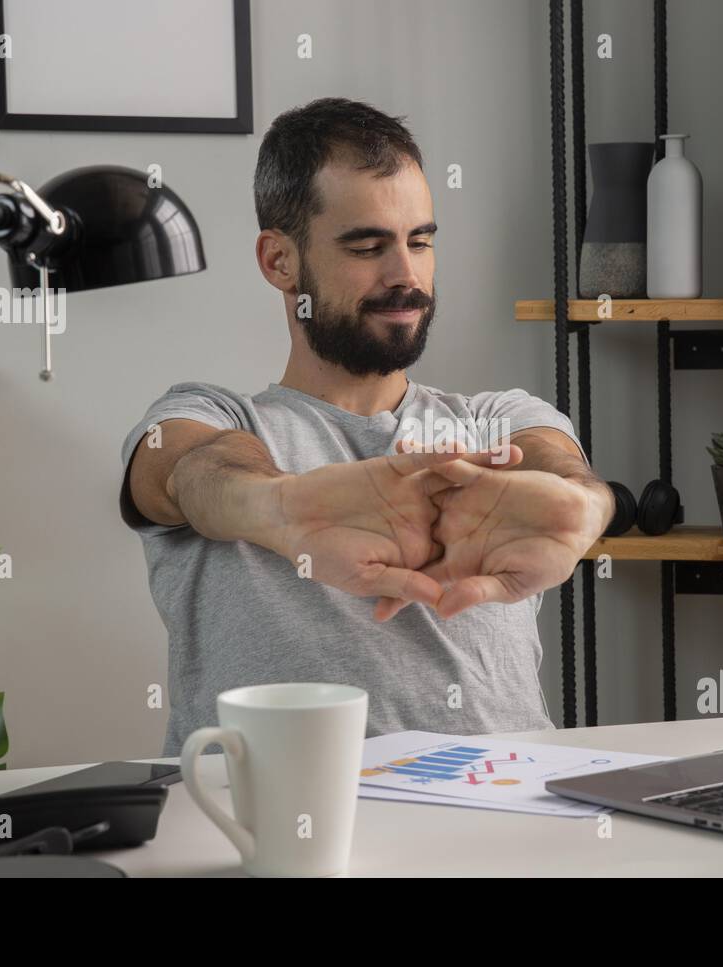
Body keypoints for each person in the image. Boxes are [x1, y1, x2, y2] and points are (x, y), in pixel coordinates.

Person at [119, 97, 614, 755]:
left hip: (510, 819)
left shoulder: (497, 421)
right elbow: (190, 471)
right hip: (279, 832)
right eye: (367, 245)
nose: (405, 276)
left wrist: (581, 506)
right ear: (279, 262)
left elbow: (558, 466)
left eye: (420, 240)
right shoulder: (211, 418)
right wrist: (282, 508)